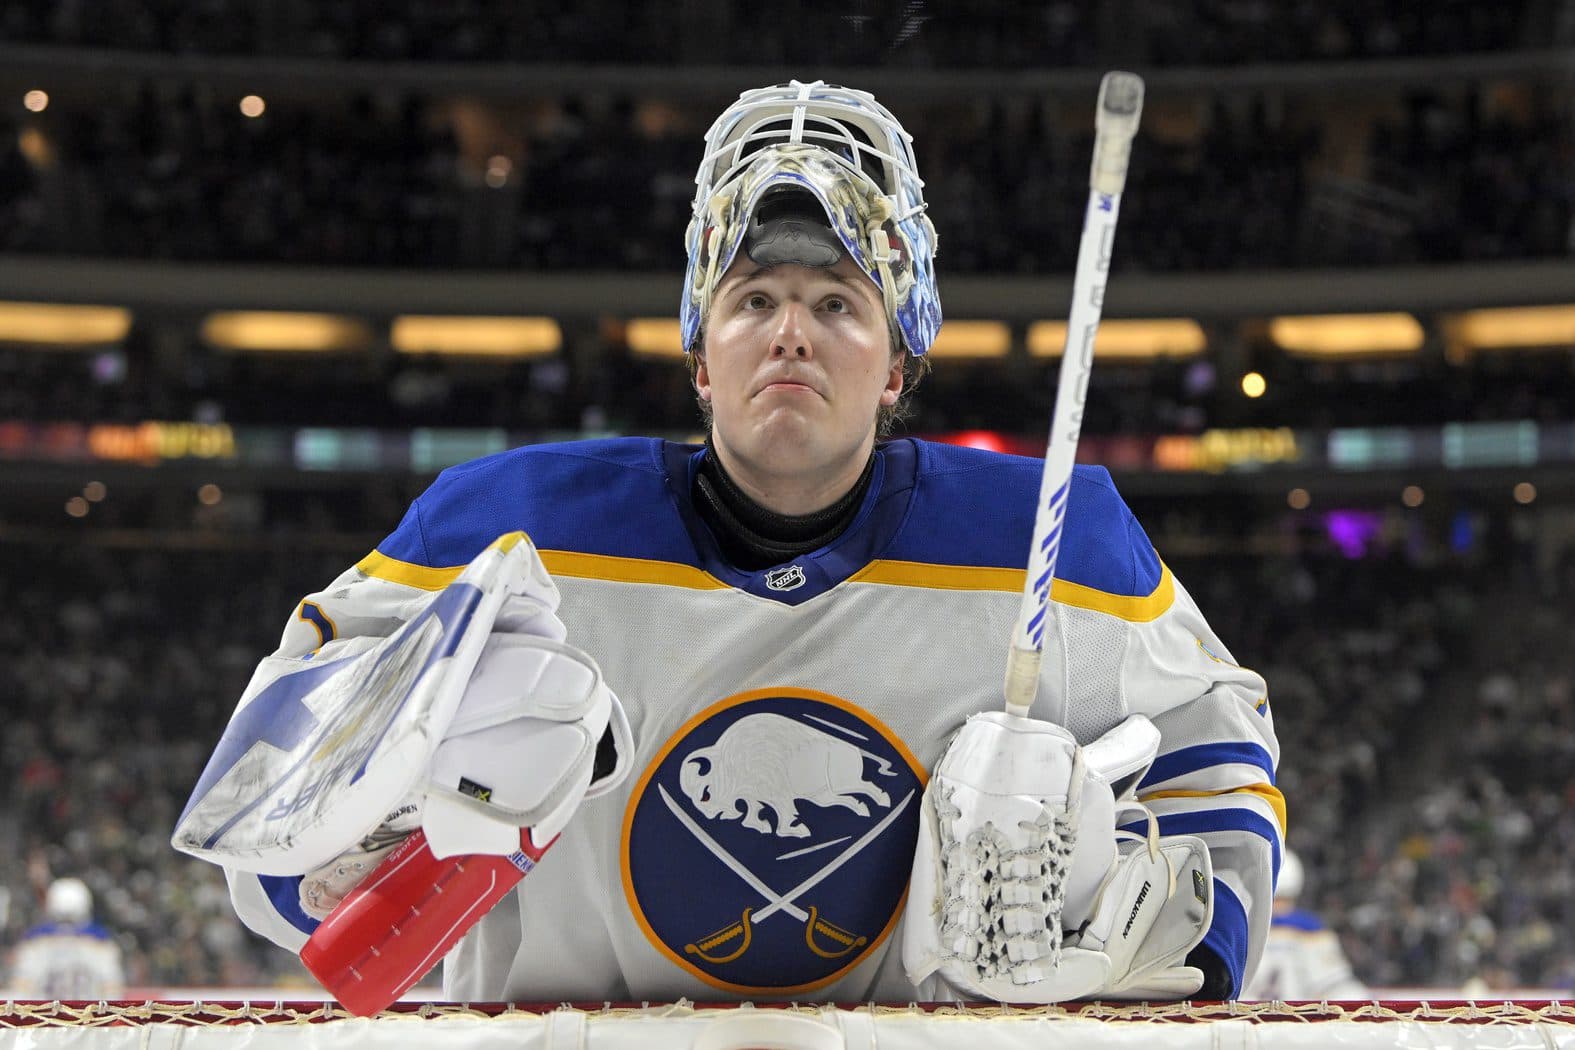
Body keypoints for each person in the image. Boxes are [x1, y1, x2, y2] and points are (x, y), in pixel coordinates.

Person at [177, 80, 1281, 1004]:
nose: (792, 330)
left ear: (897, 369)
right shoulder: (503, 536)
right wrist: (410, 818)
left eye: (838, 304)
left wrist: (1139, 920)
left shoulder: (1060, 540)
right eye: (753, 300)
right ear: (701, 360)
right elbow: (265, 830)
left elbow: (1219, 768)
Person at [1242, 849, 1367, 1000]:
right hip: (1294, 1021)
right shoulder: (1309, 929)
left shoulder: (1240, 929)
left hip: (1241, 1021)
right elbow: (1342, 991)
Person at [8, 878, 125, 999]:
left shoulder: (34, 943)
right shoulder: (101, 944)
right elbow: (113, 993)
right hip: (88, 1016)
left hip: (44, 1016)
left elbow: (20, 992)